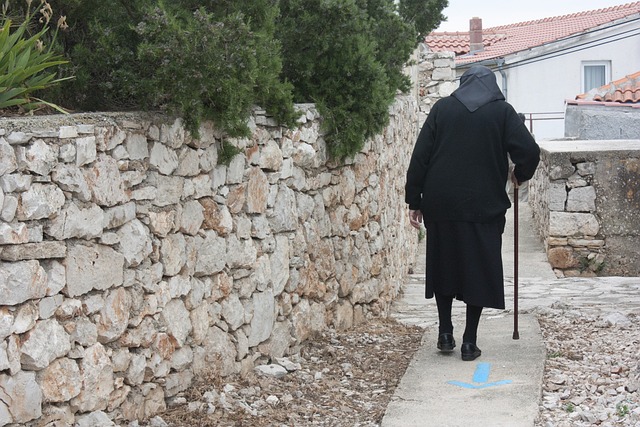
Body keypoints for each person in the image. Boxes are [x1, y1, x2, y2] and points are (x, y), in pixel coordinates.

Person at [405, 65, 540, 361]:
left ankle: (445, 332)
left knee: (443, 264)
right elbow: (530, 152)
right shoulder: (502, 112)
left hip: (441, 203)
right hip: (484, 206)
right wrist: (519, 174)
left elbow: (420, 157)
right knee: (477, 269)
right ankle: (469, 342)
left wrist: (414, 200)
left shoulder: (442, 109)